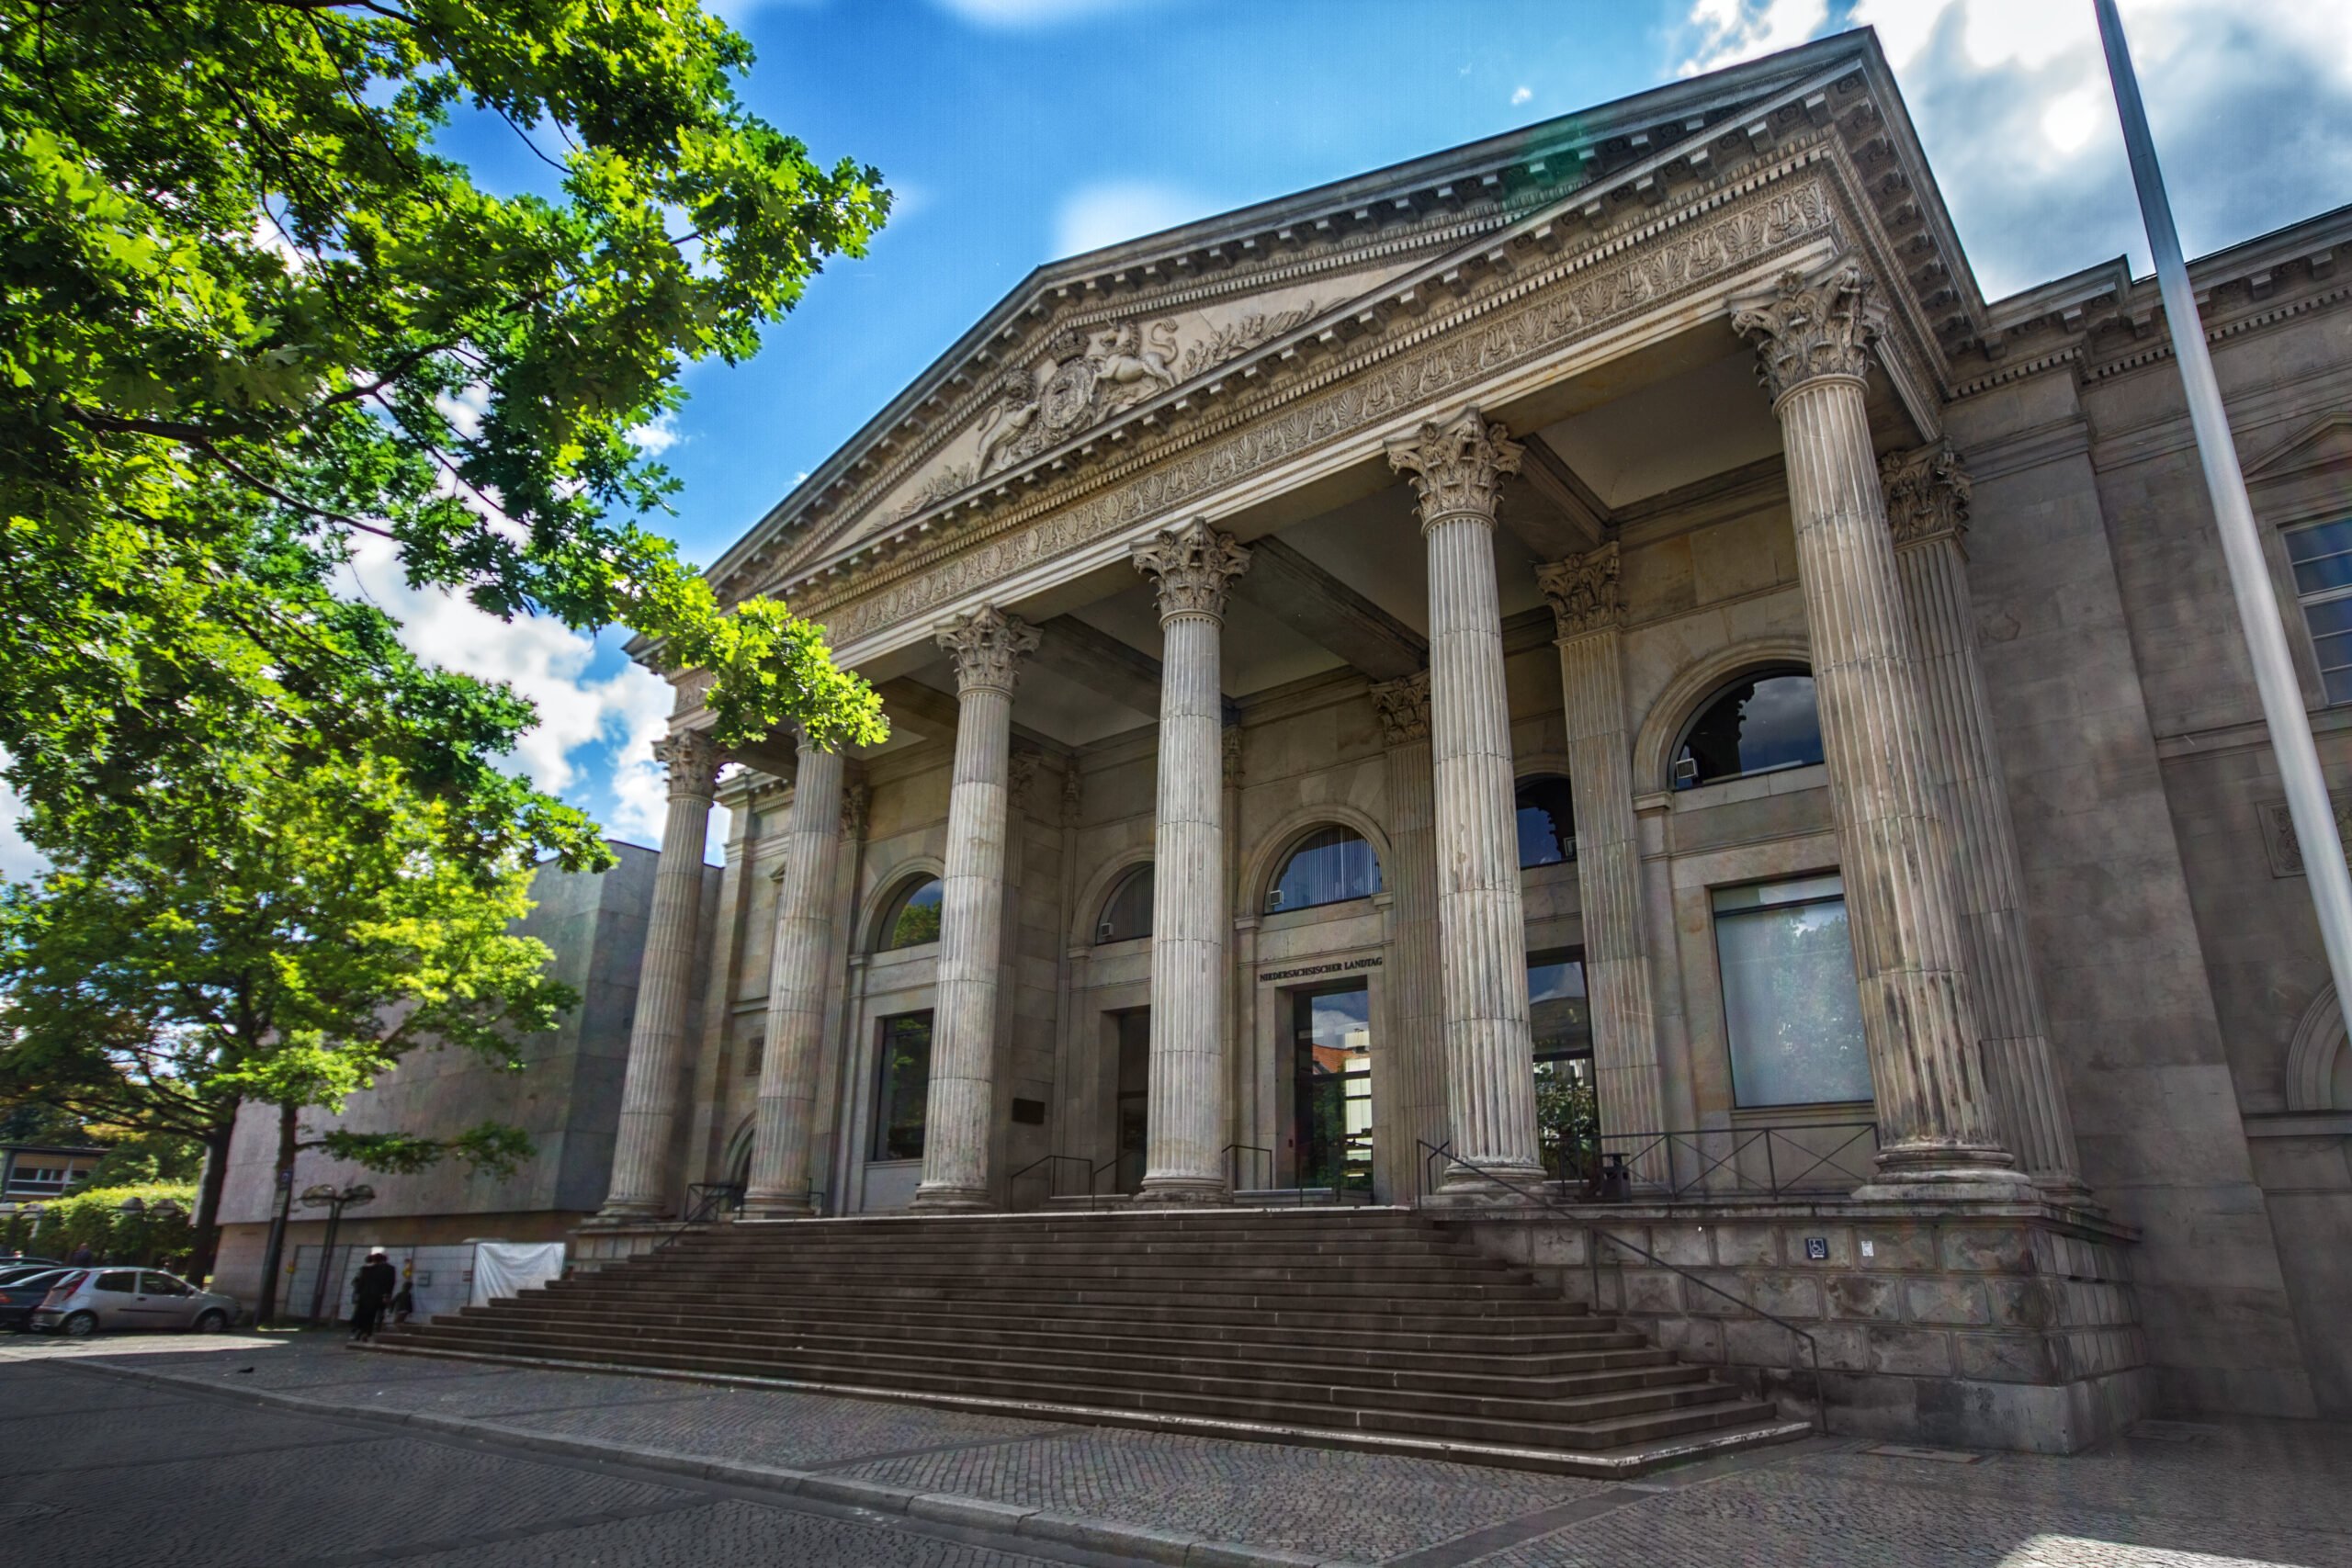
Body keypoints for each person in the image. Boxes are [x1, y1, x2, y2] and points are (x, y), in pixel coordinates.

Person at [348, 1249, 397, 1344]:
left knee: (366, 1315)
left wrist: (357, 1294)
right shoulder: (390, 1269)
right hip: (381, 1296)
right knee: (379, 1314)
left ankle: (364, 1332)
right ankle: (375, 1331)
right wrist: (387, 1295)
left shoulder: (366, 1269)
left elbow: (359, 1283)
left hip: (366, 1296)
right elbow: (391, 1283)